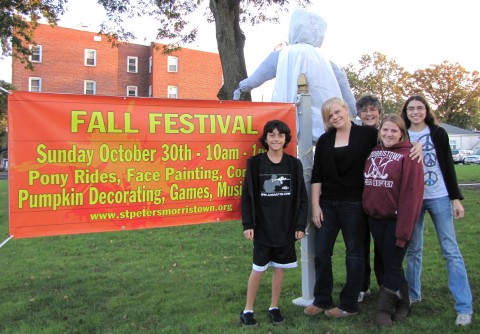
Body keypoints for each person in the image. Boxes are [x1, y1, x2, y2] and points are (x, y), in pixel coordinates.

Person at [233, 8, 357, 143]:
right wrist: (352, 110)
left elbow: (258, 76)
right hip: (321, 117)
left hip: (289, 111)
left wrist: (242, 87)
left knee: (289, 140)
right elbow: (342, 80)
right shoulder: (324, 60)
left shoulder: (282, 55)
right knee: (320, 144)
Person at [401, 95, 473, 326]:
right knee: (413, 250)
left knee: (450, 250)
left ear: (426, 110)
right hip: (413, 199)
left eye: (419, 108)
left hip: (439, 196)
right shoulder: (402, 135)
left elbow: (448, 167)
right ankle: (413, 295)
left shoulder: (438, 133)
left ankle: (464, 307)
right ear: (406, 112)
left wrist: (455, 199)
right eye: (411, 108)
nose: (415, 112)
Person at [304, 97, 377, 318]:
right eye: (330, 116)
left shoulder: (367, 135)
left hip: (355, 204)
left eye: (337, 112)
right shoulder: (325, 140)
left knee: (354, 254)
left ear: (346, 110)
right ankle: (322, 299)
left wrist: (418, 145)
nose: (335, 117)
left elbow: (397, 136)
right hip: (327, 204)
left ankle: (349, 304)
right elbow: (317, 176)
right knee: (322, 253)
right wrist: (315, 206)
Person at [239, 120, 308, 327]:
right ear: (266, 138)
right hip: (262, 228)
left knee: (280, 268)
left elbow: (302, 198)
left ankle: (274, 307)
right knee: (258, 269)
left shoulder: (294, 164)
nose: (276, 139)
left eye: (280, 135)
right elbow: (247, 196)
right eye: (272, 135)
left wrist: (299, 226)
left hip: (286, 228)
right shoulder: (256, 163)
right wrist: (248, 224)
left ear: (286, 139)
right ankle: (248, 309)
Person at [362, 114, 424, 326]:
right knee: (385, 262)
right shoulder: (374, 152)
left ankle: (383, 310)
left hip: (397, 220)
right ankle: (404, 302)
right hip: (375, 218)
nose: (388, 134)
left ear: (401, 134)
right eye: (385, 130)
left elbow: (412, 194)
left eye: (393, 131)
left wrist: (404, 227)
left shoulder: (410, 156)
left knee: (393, 263)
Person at [355, 94, 385, 302]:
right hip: (359, 195)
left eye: (372, 110)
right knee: (360, 243)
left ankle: (386, 286)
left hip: (382, 195)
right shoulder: (353, 133)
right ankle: (362, 285)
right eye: (364, 110)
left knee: (383, 245)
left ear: (379, 113)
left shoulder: (387, 133)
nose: (368, 114)